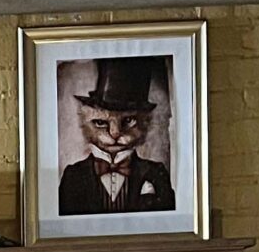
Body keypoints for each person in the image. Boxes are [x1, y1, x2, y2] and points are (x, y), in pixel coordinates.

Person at [58, 58, 176, 215]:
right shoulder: (73, 175)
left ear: (145, 120)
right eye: (100, 122)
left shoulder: (156, 172)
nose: (114, 133)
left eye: (128, 121)